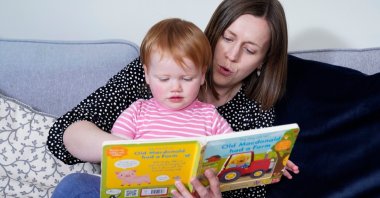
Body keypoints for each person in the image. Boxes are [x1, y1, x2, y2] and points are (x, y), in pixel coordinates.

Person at [48, 0, 299, 197]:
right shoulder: (159, 67)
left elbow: (247, 182)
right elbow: (62, 135)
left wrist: (265, 159)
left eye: (249, 50)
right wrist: (127, 153)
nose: (232, 55)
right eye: (228, 38)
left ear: (263, 60)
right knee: (74, 187)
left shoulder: (250, 112)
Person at [111, 18, 232, 140]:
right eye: (164, 79)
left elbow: (233, 149)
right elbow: (116, 152)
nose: (176, 88)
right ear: (147, 75)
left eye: (187, 79)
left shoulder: (210, 117)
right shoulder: (136, 113)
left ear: (202, 76)